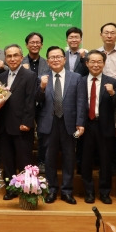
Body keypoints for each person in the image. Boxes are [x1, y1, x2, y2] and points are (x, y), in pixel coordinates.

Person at [37, 46, 86, 205]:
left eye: (59, 57)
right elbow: (37, 103)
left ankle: (67, 191)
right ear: (48, 61)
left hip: (69, 124)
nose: (56, 60)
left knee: (69, 158)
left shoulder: (76, 77)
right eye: (52, 57)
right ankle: (51, 190)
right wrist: (42, 89)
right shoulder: (42, 78)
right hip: (49, 123)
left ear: (64, 59)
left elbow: (80, 101)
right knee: (49, 159)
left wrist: (80, 122)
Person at [0, 44, 38, 200]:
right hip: (4, 126)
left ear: (21, 57)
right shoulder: (1, 77)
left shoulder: (29, 75)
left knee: (24, 161)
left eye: (15, 55)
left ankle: (25, 190)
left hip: (22, 126)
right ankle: (10, 189)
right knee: (7, 161)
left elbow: (30, 101)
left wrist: (27, 122)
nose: (12, 59)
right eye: (9, 56)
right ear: (5, 59)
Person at [81, 50, 116, 204]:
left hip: (104, 126)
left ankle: (105, 192)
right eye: (92, 61)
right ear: (87, 63)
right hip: (86, 125)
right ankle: (89, 192)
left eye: (99, 62)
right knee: (85, 161)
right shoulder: (80, 80)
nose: (96, 65)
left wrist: (112, 93)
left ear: (104, 64)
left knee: (105, 161)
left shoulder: (112, 82)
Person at [22, 32, 50, 174]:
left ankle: (41, 161)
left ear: (41, 45)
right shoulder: (20, 62)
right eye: (32, 42)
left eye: (37, 42)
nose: (35, 45)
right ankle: (25, 164)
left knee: (43, 134)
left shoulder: (47, 63)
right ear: (26, 45)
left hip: (42, 104)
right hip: (24, 106)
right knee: (25, 136)